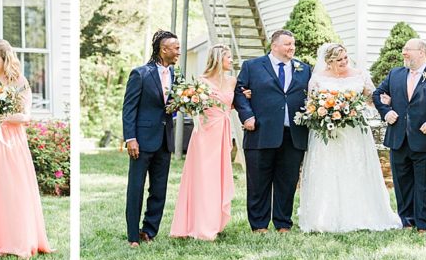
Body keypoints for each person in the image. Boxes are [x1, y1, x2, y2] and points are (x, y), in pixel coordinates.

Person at [295, 43, 401, 232]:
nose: (344, 62)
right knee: (329, 169)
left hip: (355, 132)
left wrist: (385, 102)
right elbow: (311, 103)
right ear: (329, 62)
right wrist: (325, 111)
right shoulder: (318, 77)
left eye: (345, 58)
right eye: (339, 60)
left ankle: (362, 215)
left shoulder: (359, 74)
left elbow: (372, 97)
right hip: (329, 132)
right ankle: (325, 217)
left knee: (356, 167)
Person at [0, 39, 53, 257]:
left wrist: (2, 115)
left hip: (8, 138)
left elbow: (25, 116)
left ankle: (16, 240)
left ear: (6, 58)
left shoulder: (19, 81)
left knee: (11, 187)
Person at [372, 38, 426, 233]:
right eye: (404, 49)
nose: (404, 53)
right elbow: (377, 95)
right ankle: (407, 222)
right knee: (402, 184)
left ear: (422, 53)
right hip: (398, 139)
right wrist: (386, 112)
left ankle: (423, 225)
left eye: (407, 49)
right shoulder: (395, 74)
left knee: (425, 185)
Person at [232, 29, 310, 233]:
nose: (291, 47)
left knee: (288, 181)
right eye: (287, 44)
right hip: (260, 132)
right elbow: (240, 94)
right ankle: (259, 225)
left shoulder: (304, 69)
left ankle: (283, 223)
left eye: (293, 44)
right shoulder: (252, 66)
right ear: (274, 46)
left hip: (293, 134)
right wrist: (247, 116)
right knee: (259, 181)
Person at [169, 44, 235, 241]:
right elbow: (192, 108)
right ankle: (200, 225)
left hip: (222, 133)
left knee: (218, 178)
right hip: (205, 135)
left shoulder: (232, 81)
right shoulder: (201, 82)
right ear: (217, 59)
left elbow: (231, 105)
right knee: (204, 179)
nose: (232, 61)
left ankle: (214, 222)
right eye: (228, 57)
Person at [122, 29, 179, 247]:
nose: (178, 52)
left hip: (165, 139)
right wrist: (130, 138)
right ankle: (133, 236)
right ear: (163, 49)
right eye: (175, 48)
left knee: (159, 188)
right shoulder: (140, 74)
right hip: (142, 140)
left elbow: (172, 105)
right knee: (136, 188)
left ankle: (149, 231)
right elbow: (129, 109)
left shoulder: (176, 75)